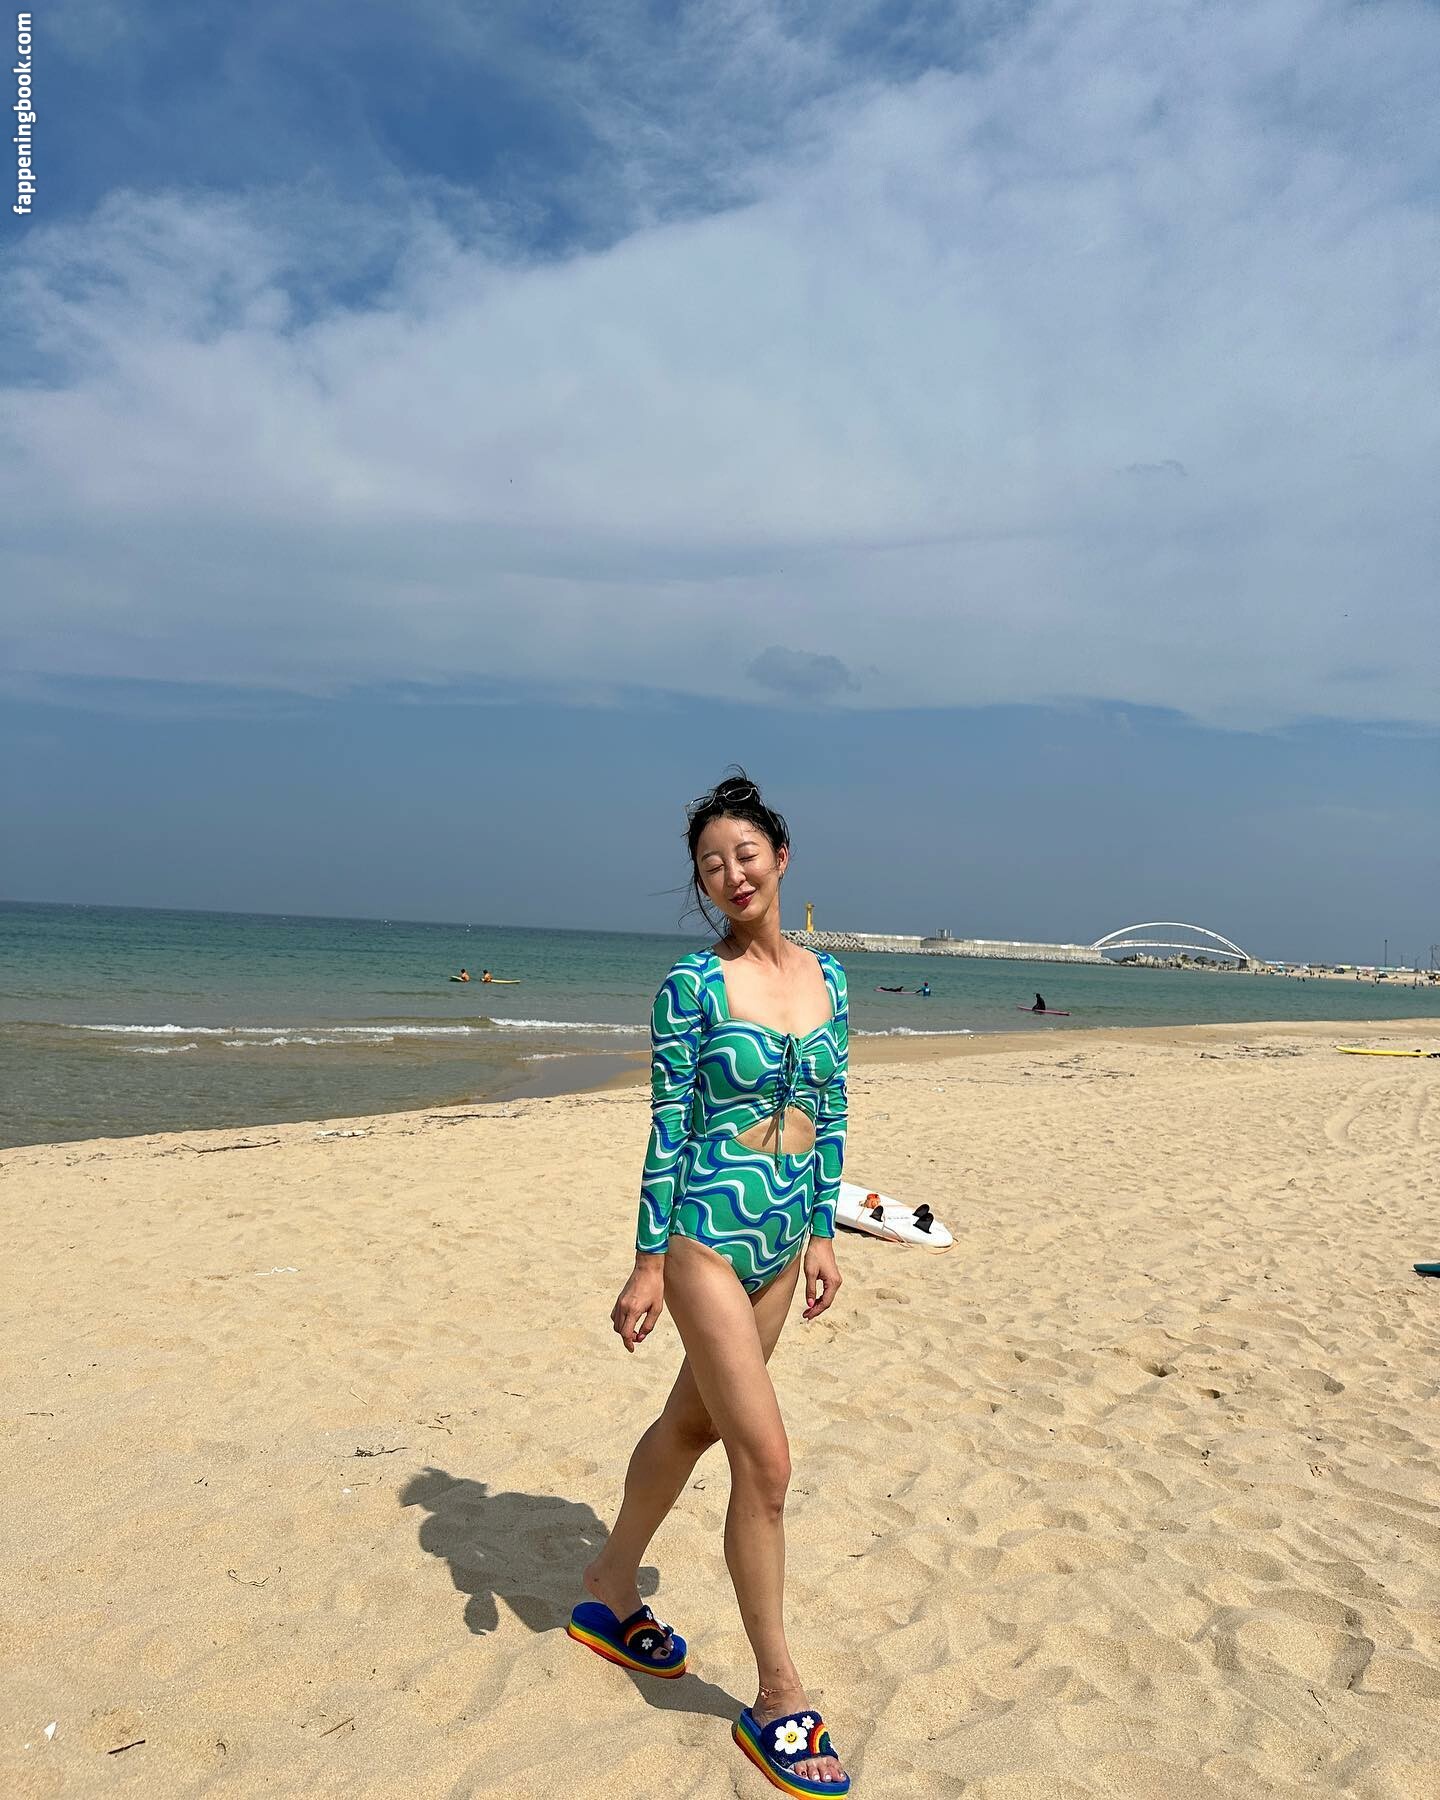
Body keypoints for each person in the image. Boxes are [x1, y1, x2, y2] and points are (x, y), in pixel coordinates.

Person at [568, 770, 852, 1796]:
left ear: (781, 858)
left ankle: (608, 1588)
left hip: (783, 1236)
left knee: (692, 1425)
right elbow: (667, 1128)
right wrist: (649, 1262)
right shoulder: (691, 986)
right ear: (701, 885)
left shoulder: (831, 980)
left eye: (744, 855)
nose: (730, 874)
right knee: (764, 1463)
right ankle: (777, 1695)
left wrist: (822, 1234)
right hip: (706, 1239)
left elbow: (834, 1106)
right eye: (709, 866)